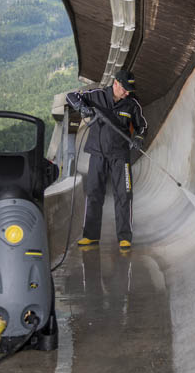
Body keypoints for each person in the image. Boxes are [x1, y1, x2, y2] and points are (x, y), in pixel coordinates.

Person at [66, 70, 147, 252]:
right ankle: (90, 236)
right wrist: (82, 107)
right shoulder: (97, 96)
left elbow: (142, 126)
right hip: (98, 154)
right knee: (94, 193)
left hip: (120, 156)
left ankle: (124, 237)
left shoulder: (132, 105)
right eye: (125, 89)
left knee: (124, 195)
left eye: (129, 90)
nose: (127, 92)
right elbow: (71, 96)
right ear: (116, 83)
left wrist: (139, 138)